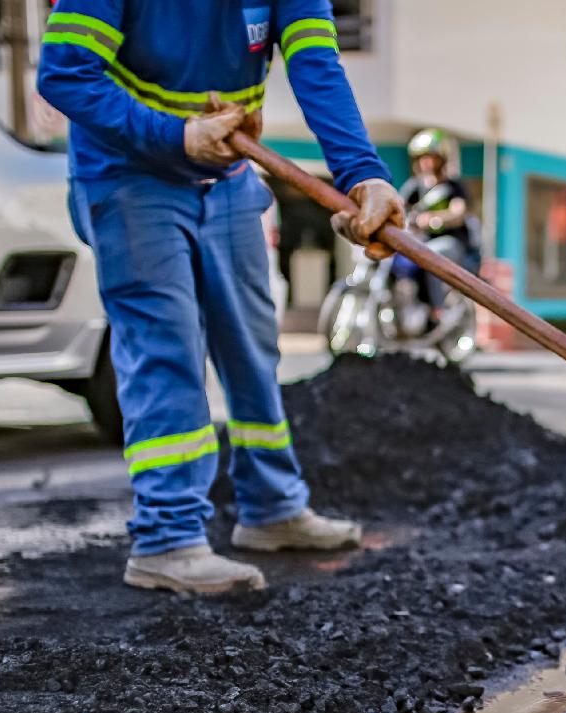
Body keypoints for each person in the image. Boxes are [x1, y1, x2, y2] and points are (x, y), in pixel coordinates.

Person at [37, 0, 405, 595]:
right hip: (130, 175)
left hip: (228, 176)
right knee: (169, 351)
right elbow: (64, 73)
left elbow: (317, 64)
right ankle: (167, 540)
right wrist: (176, 135)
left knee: (252, 345)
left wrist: (362, 176)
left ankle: (271, 507)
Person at [398, 128, 478, 322]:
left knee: (429, 255)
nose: (425, 163)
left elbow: (458, 212)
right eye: (421, 158)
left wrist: (435, 218)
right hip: (420, 241)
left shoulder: (453, 186)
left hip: (452, 243)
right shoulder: (414, 186)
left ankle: (438, 311)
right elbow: (400, 206)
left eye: (430, 157)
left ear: (441, 158)